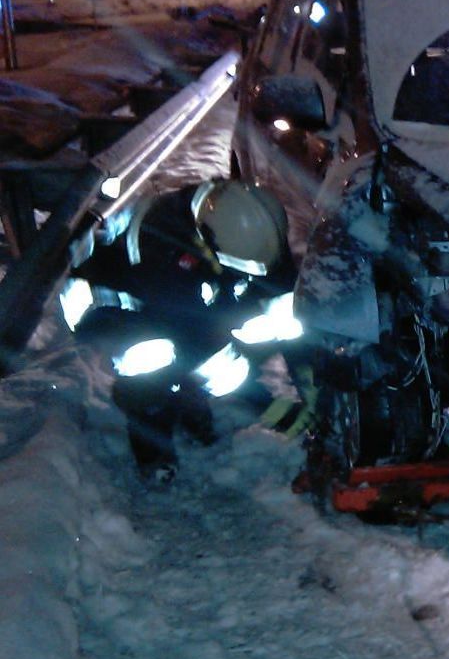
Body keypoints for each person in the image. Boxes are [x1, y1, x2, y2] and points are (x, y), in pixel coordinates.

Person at [59, 179, 304, 484]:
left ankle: (196, 402)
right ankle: (153, 449)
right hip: (123, 314)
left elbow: (280, 284)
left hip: (189, 298)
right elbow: (193, 336)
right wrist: (259, 400)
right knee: (154, 368)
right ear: (208, 242)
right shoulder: (159, 247)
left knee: (263, 324)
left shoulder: (241, 223)